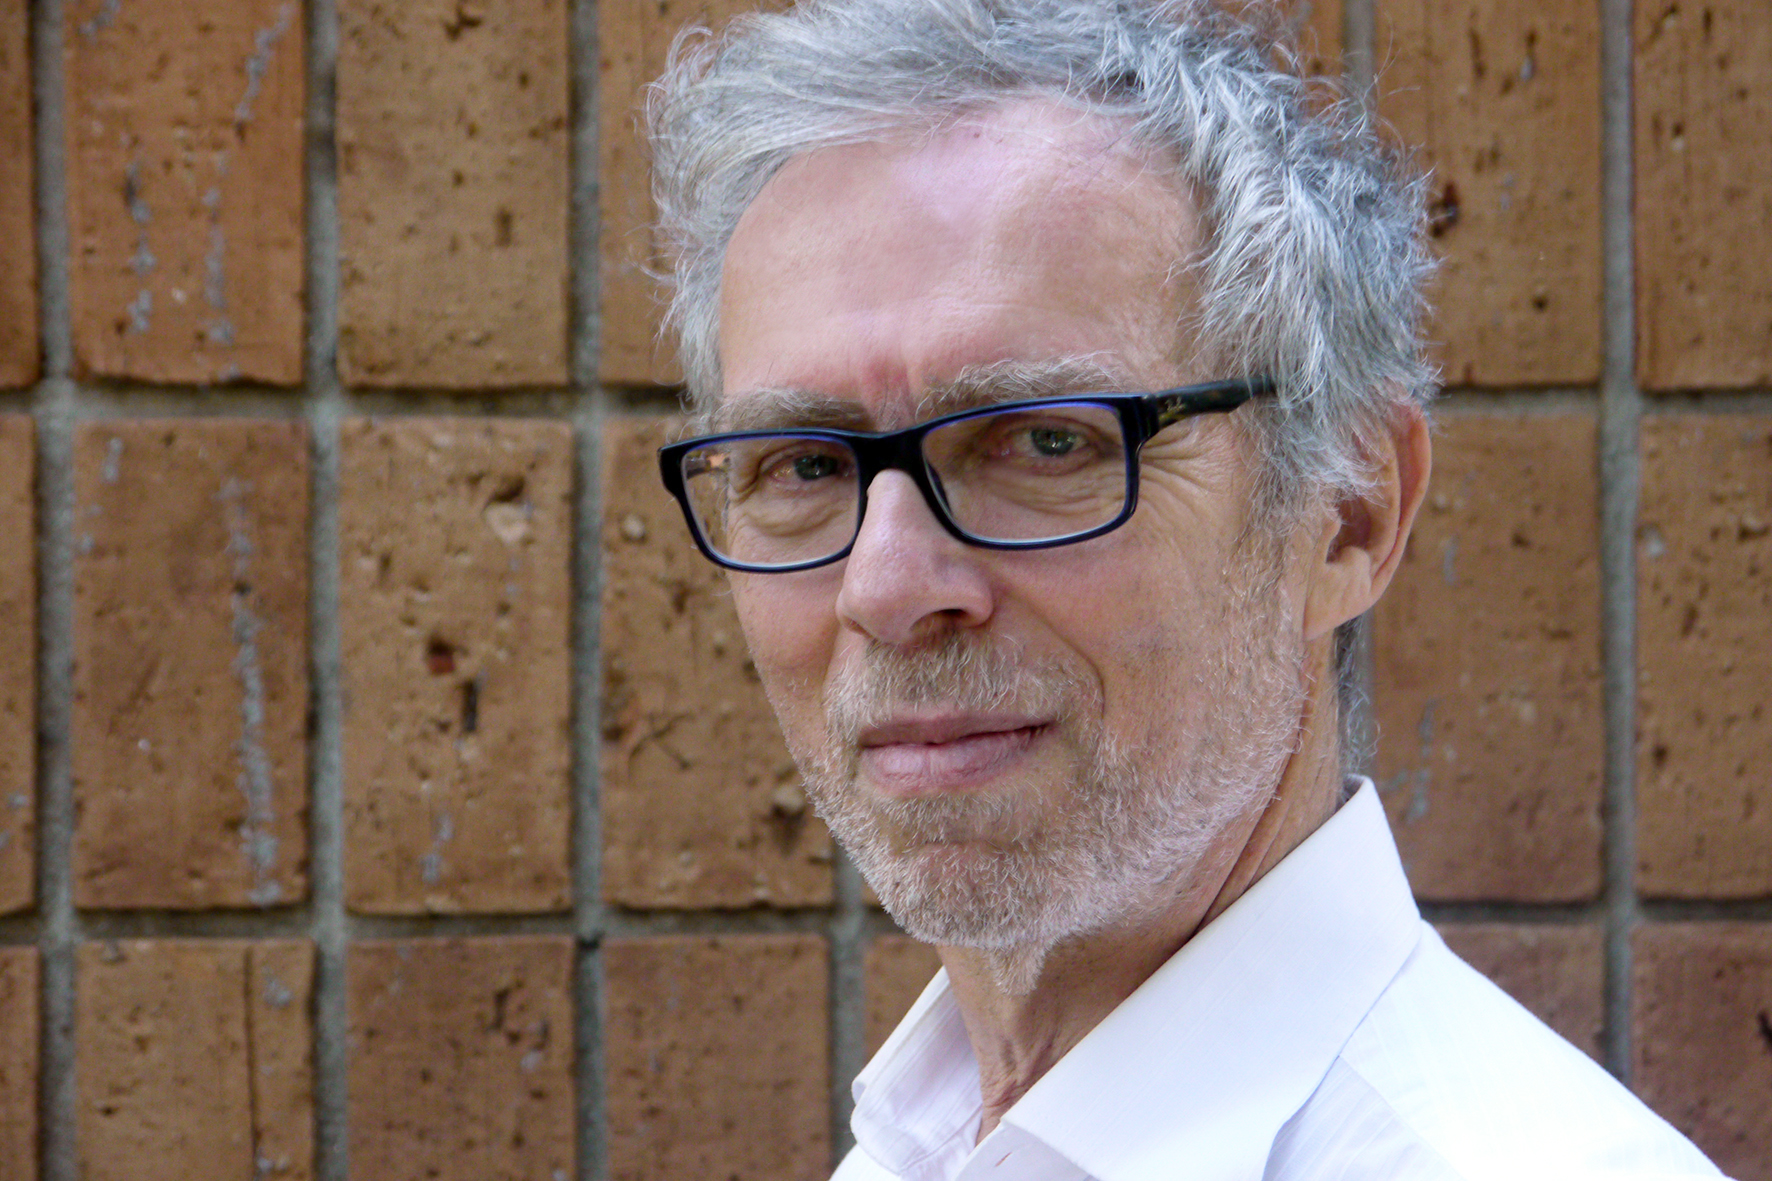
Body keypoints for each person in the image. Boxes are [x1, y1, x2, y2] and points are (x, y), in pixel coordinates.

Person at [645, 1, 1726, 1177]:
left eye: (1044, 442)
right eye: (803, 465)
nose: (887, 586)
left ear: (1346, 512)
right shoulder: (920, 1143)